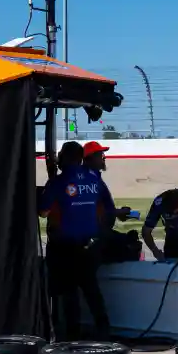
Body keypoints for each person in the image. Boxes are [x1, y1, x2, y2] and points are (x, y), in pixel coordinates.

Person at [39, 145, 113, 342]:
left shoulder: (58, 181)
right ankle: (104, 331)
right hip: (90, 244)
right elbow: (107, 207)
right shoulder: (94, 178)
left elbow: (43, 212)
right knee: (91, 289)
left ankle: (71, 337)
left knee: (68, 292)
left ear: (63, 157)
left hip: (64, 245)